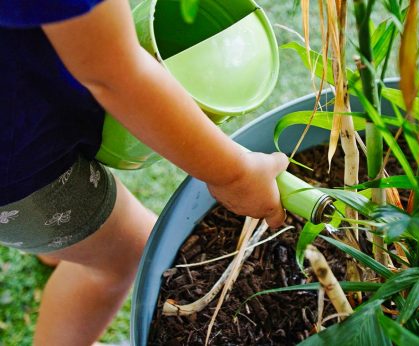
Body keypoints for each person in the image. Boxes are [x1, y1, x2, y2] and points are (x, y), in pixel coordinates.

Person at [0, 0, 288, 344]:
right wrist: (235, 175)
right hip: (21, 170)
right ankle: (75, 248)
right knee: (127, 253)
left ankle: (64, 241)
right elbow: (114, 74)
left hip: (23, 101)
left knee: (81, 231)